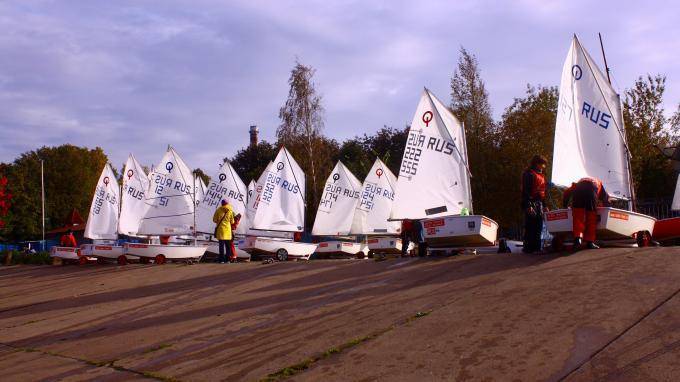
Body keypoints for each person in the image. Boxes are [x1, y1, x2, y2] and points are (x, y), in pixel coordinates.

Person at [562, 177, 610, 250]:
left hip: (578, 190)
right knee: (591, 216)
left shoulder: (579, 182)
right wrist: (607, 209)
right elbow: (606, 199)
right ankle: (589, 242)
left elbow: (567, 192)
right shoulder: (599, 184)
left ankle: (578, 239)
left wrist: (565, 205)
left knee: (578, 216)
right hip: (591, 189)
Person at [520, 155, 548, 254]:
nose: (544, 166)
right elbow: (526, 191)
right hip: (531, 202)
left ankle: (536, 248)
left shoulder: (541, 175)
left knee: (538, 226)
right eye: (542, 164)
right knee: (531, 226)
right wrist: (528, 205)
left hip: (539, 202)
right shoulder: (529, 174)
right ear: (537, 164)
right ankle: (529, 248)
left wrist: (545, 205)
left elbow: (542, 193)